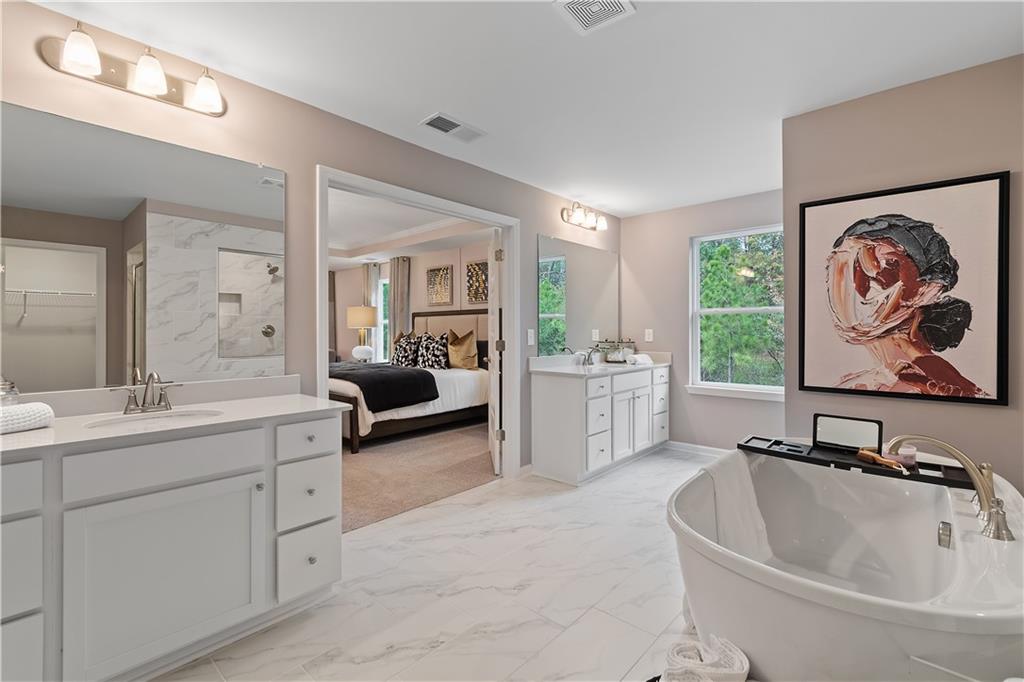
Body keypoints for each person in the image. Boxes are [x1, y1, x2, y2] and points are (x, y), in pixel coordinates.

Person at [825, 213, 987, 398]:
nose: (856, 287)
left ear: (930, 289)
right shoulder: (866, 381)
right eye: (838, 269)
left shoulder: (927, 383)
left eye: (887, 265)